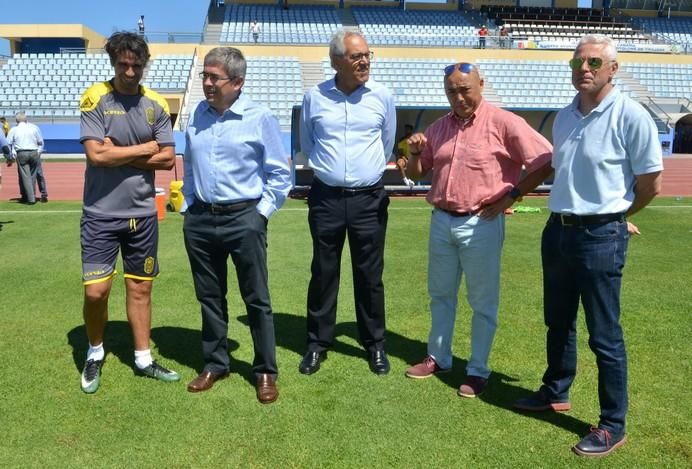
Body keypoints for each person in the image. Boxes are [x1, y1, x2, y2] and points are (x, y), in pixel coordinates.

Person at [513, 35, 663, 457]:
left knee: (604, 335)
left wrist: (617, 218)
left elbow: (651, 184)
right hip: (557, 231)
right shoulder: (564, 117)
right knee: (557, 321)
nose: (584, 68)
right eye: (577, 62)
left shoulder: (631, 115)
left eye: (594, 61)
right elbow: (560, 169)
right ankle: (555, 391)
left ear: (612, 68)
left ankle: (613, 424)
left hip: (600, 235)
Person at [404, 62, 553, 398]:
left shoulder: (505, 123)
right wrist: (414, 154)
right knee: (440, 295)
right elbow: (419, 171)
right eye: (451, 91)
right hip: (441, 219)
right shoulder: (440, 127)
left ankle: (477, 370)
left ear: (481, 84)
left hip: (481, 221)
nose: (458, 97)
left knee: (482, 301)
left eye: (465, 89)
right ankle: (438, 357)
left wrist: (513, 194)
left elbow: (546, 161)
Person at [182, 47, 291, 404]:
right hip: (200, 219)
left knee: (256, 299)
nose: (207, 84)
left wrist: (260, 214)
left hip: (244, 218)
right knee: (209, 296)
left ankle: (264, 371)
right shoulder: (197, 113)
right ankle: (216, 363)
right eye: (205, 76)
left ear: (238, 82)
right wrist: (187, 203)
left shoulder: (260, 117)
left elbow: (279, 173)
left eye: (214, 77)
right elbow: (189, 163)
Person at [78, 31, 179, 394]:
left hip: (142, 215)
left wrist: (118, 150)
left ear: (144, 64)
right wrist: (145, 147)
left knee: (140, 289)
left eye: (137, 65)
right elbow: (96, 156)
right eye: (124, 64)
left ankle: (143, 358)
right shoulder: (96, 98)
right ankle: (95, 350)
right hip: (100, 214)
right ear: (113, 63)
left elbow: (167, 159)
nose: (131, 72)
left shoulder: (155, 103)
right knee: (96, 293)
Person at [299, 30, 396, 376]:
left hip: (369, 198)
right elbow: (308, 146)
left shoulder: (382, 96)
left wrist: (361, 175)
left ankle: (375, 345)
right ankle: (317, 344)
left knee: (370, 275)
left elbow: (387, 144)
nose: (365, 61)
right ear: (336, 61)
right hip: (326, 197)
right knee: (323, 272)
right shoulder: (315, 97)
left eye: (368, 55)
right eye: (357, 57)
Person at [7, 112, 44, 205]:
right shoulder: (33, 129)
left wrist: (11, 155)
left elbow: (8, 143)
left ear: (16, 120)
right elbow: (40, 142)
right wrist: (38, 152)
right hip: (34, 152)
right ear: (26, 120)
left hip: (22, 153)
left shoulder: (14, 129)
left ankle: (30, 198)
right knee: (32, 176)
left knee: (25, 176)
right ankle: (31, 195)